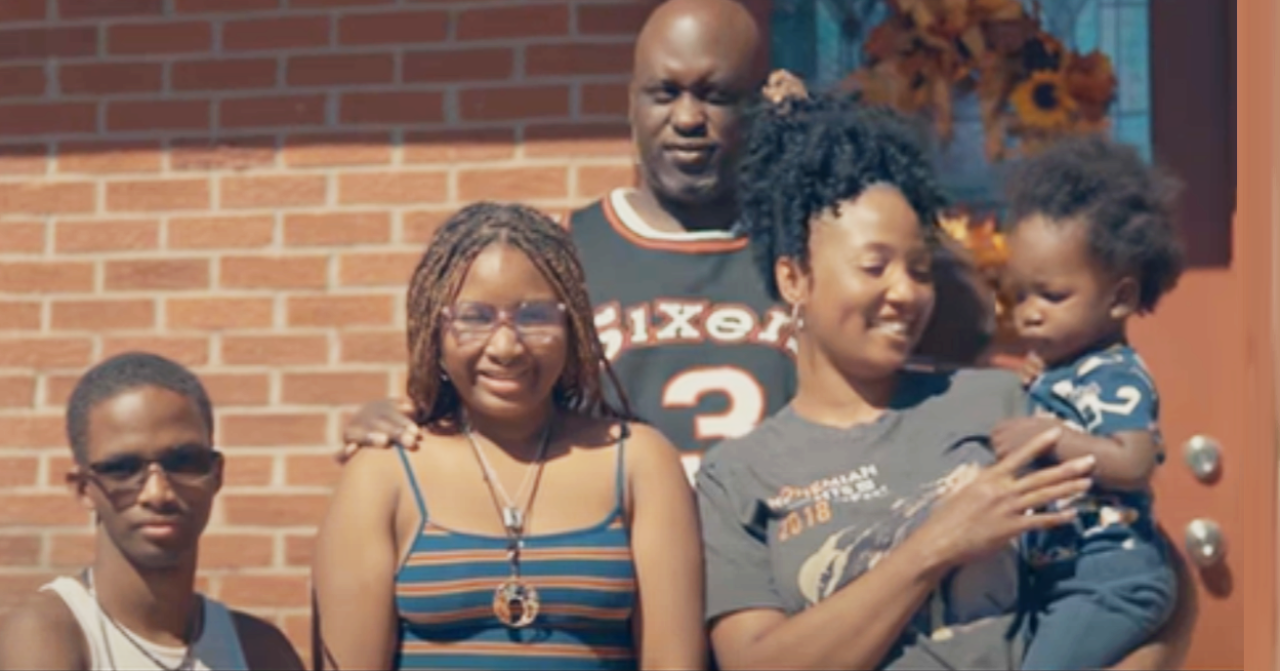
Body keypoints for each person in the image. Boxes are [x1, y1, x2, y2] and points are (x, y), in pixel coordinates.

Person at [338, 0, 996, 474]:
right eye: (664, 92)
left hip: (782, 593)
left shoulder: (814, 246)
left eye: (715, 95)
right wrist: (389, 420)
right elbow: (478, 398)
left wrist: (811, 152)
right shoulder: (560, 252)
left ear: (761, 104)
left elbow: (964, 314)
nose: (687, 118)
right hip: (623, 596)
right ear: (631, 105)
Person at [696, 90, 1195, 670]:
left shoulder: (1004, 401)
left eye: (920, 269)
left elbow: (1146, 573)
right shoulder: (737, 478)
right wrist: (939, 544)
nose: (905, 292)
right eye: (874, 266)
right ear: (794, 278)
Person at [311, 202, 704, 670]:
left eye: (534, 316)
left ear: (573, 326)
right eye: (473, 317)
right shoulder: (384, 473)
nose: (505, 347)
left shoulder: (639, 462)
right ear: (435, 331)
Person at [990, 136, 1184, 670]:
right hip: (1063, 576)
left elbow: (1133, 461)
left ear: (1120, 298)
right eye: (1019, 295)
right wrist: (1041, 382)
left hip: (1111, 579)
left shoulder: (1116, 373)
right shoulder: (1066, 371)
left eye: (1051, 297)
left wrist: (1048, 435)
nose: (1028, 313)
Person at [0, 352, 303, 671]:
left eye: (183, 462)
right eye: (123, 468)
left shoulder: (258, 649)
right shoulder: (50, 635)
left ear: (216, 475)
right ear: (83, 488)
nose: (157, 493)